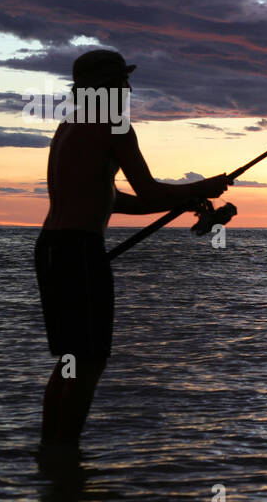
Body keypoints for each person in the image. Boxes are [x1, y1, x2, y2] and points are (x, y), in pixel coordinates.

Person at [35, 49, 230, 452]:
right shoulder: (115, 125)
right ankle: (66, 457)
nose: (127, 89)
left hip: (53, 249)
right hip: (80, 250)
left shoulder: (70, 126)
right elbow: (148, 190)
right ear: (104, 87)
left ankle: (52, 457)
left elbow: (118, 201)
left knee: (72, 358)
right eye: (121, 82)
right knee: (88, 360)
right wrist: (203, 188)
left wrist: (186, 199)